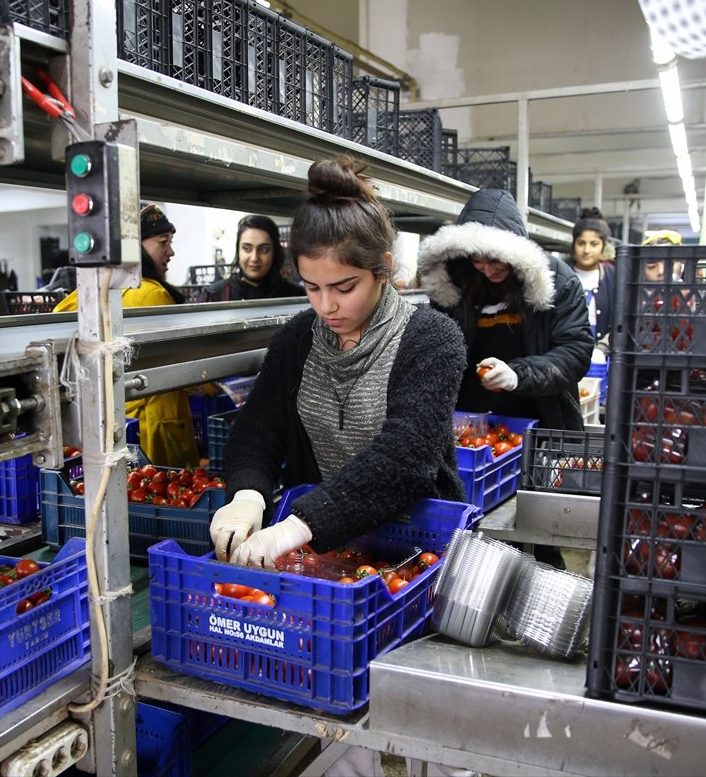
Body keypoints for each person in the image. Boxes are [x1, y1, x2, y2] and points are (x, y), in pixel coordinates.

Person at [207, 156, 467, 567]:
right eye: (312, 287)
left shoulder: (431, 338)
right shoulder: (298, 339)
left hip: (415, 545)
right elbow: (259, 428)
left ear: (383, 269)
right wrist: (248, 494)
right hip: (326, 552)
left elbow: (407, 455)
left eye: (344, 287)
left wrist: (299, 525)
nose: (326, 305)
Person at [417, 188, 593, 569]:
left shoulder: (556, 281)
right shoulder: (458, 285)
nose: (487, 267)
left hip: (539, 427)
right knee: (472, 529)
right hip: (475, 432)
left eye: (496, 258)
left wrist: (518, 374)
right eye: (477, 258)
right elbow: (437, 347)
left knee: (537, 531)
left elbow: (576, 349)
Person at [54, 204, 200, 468]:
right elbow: (178, 362)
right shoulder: (151, 294)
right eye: (162, 242)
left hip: (108, 423)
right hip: (155, 429)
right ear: (136, 247)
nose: (171, 251)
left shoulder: (92, 289)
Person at [202, 215, 305, 301]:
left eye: (263, 250)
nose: (254, 258)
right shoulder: (215, 295)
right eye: (247, 248)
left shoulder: (295, 295)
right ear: (238, 250)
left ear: (275, 251)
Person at [568, 208, 616, 358]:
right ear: (574, 244)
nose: (586, 250)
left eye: (594, 244)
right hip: (567, 357)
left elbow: (619, 321)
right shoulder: (562, 275)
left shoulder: (612, 277)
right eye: (581, 243)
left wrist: (602, 348)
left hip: (601, 358)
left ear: (603, 246)